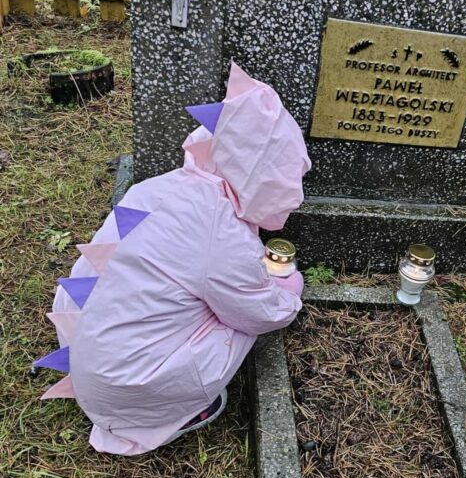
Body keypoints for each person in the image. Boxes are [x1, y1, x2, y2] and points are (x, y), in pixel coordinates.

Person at [35, 62, 310, 456]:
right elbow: (259, 313)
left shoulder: (159, 188)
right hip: (129, 392)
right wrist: (288, 291)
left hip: (88, 357)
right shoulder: (222, 232)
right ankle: (172, 412)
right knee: (237, 325)